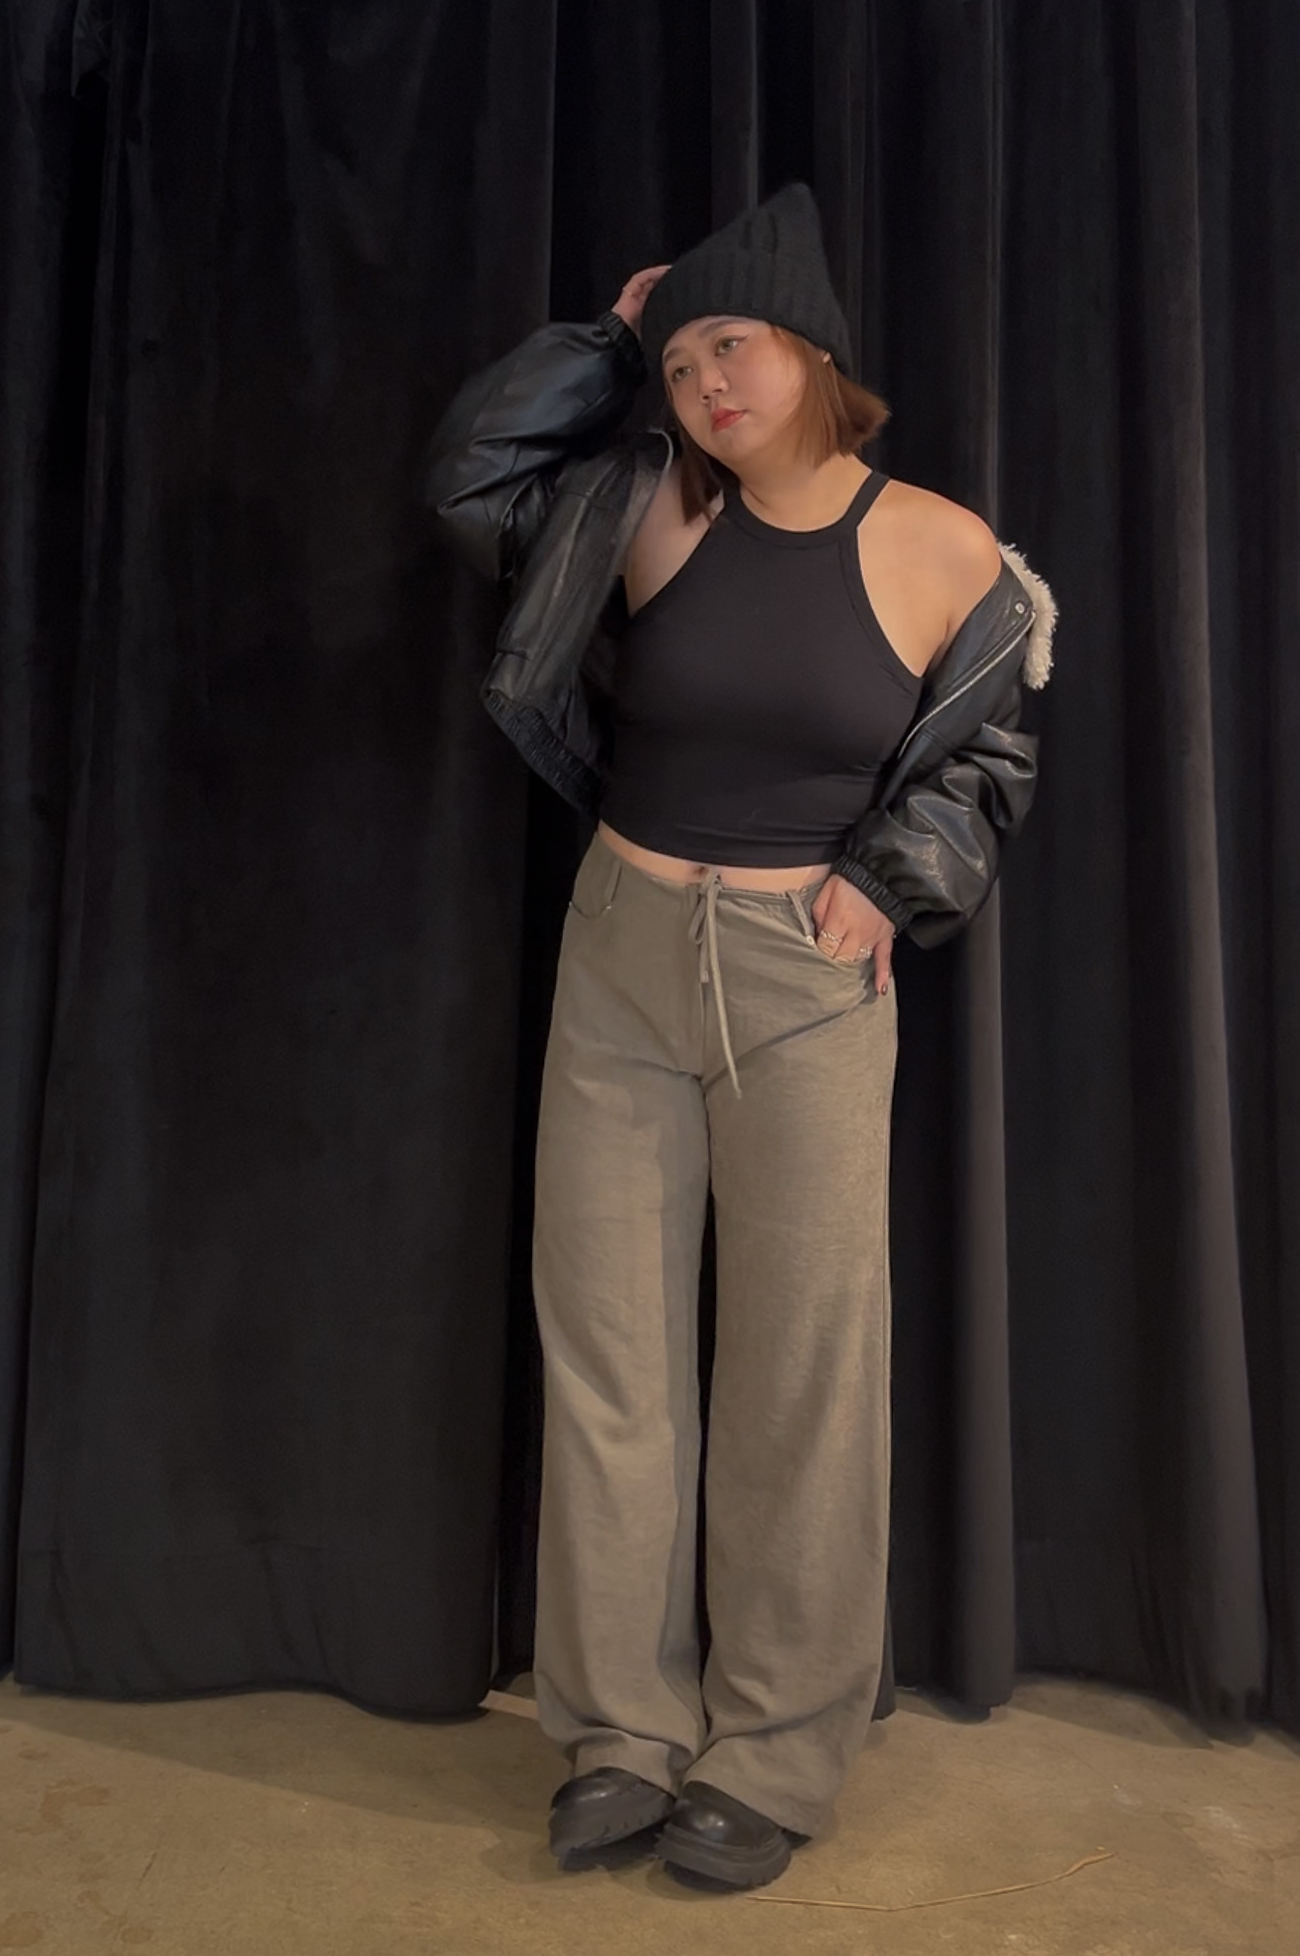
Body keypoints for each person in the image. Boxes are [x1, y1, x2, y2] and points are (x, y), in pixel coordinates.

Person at [423, 183, 1057, 1892]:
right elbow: (469, 481)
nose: (705, 382)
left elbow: (989, 753)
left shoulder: (941, 544)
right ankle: (619, 1737)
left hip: (805, 982)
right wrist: (606, 341)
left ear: (814, 351)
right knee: (612, 1357)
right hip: (621, 959)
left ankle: (774, 1746)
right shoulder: (643, 506)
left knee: (802, 1371)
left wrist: (893, 879)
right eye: (684, 357)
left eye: (733, 345)